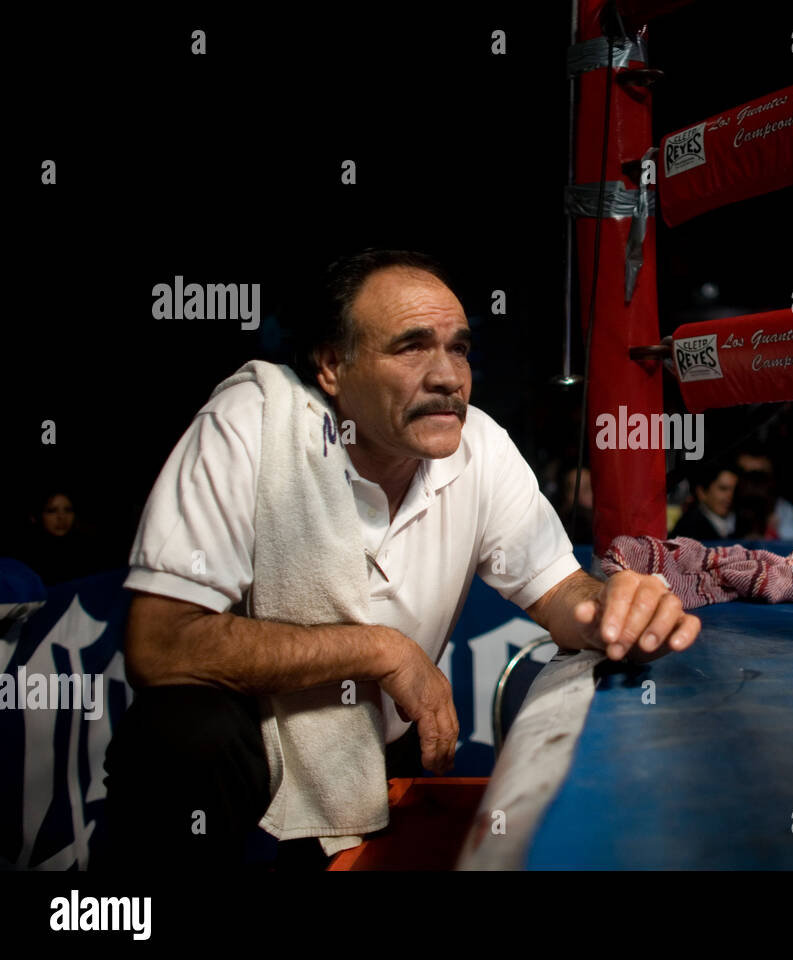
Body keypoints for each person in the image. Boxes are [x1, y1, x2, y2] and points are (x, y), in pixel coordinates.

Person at [103, 249, 700, 871]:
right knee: (183, 734)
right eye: (412, 347)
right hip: (244, 749)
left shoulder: (483, 447)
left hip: (376, 742)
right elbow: (160, 643)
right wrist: (381, 650)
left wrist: (622, 610)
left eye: (460, 349)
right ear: (333, 364)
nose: (449, 377)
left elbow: (558, 595)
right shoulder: (251, 423)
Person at [15, 489, 106, 585]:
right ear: (36, 516)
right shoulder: (24, 556)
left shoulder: (88, 549)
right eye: (52, 511)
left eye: (68, 510)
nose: (61, 517)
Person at [669, 461, 738, 540]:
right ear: (702, 492)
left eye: (734, 490)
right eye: (723, 489)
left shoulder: (739, 524)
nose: (730, 496)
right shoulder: (688, 528)